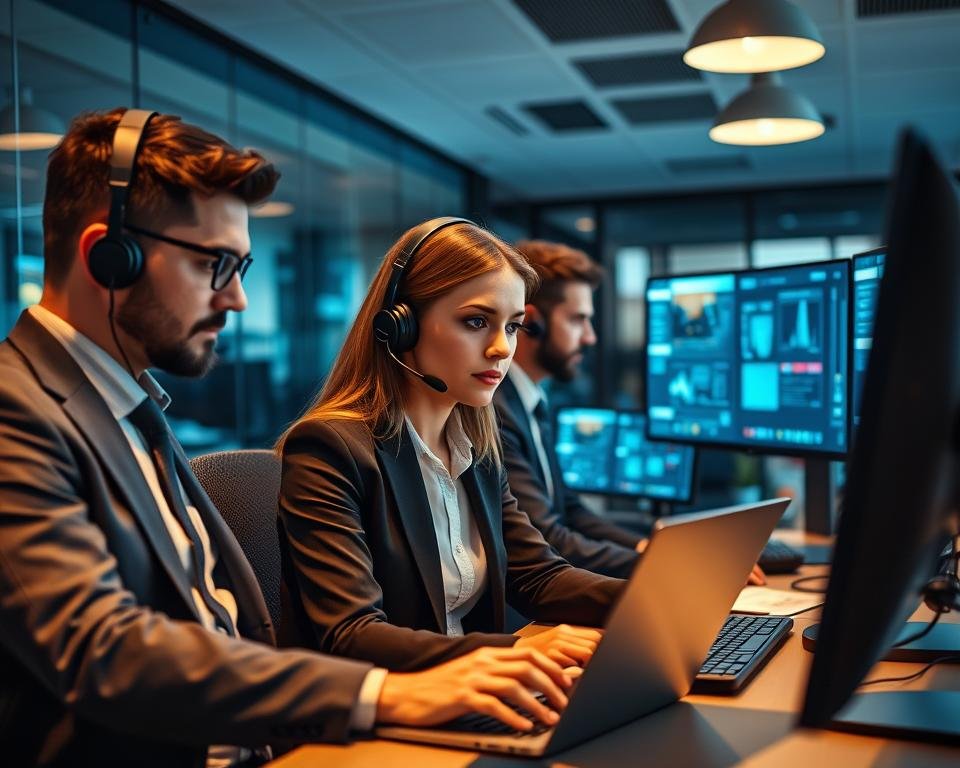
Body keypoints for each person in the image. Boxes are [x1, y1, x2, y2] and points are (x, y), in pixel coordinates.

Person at [0, 111, 572, 768]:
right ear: (108, 255)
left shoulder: (133, 410)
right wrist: (384, 694)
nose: (239, 299)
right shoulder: (17, 410)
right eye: (216, 265)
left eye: (241, 265)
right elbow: (103, 648)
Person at [277, 218, 624, 674]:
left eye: (514, 326)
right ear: (399, 326)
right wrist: (516, 653)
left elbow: (538, 575)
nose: (502, 348)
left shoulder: (476, 449)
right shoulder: (330, 450)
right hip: (402, 706)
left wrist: (667, 597)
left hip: (484, 690)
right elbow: (352, 633)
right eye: (476, 322)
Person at [496, 239, 766, 584]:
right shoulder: (497, 412)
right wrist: (669, 565)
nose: (591, 337)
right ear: (532, 323)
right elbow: (550, 535)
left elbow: (571, 511)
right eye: (579, 320)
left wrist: (646, 547)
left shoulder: (532, 402)